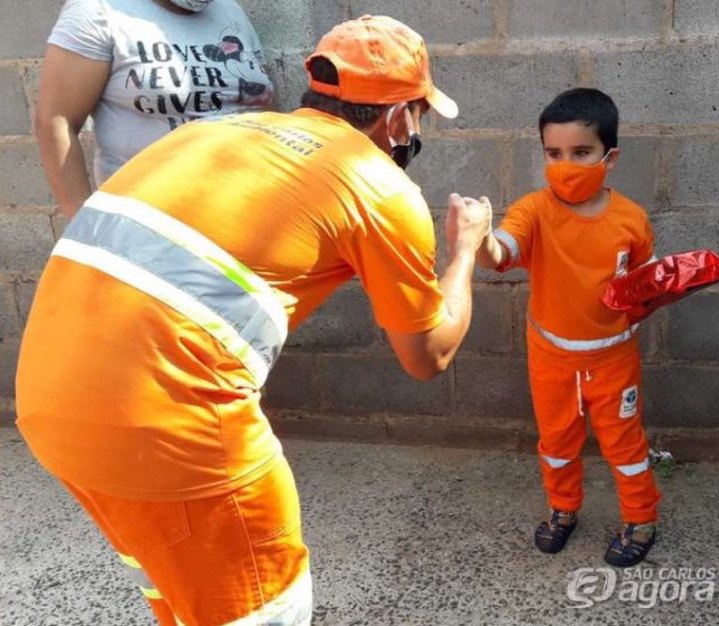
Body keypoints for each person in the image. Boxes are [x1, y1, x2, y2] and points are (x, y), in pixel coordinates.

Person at [16, 15, 492, 626]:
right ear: (399, 117)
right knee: (266, 610)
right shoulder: (377, 186)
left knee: (186, 595)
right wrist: (467, 250)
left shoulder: (211, 132)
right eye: (420, 114)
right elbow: (428, 357)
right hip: (171, 434)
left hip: (49, 409)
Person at [477, 88, 661, 567]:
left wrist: (670, 284)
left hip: (613, 358)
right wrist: (479, 240)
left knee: (624, 442)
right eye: (553, 153)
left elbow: (648, 281)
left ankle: (641, 518)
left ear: (609, 157)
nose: (565, 164)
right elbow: (503, 249)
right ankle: (563, 510)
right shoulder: (534, 210)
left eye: (580, 153)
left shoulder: (632, 220)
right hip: (551, 358)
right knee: (556, 441)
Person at [35, 0, 274, 219]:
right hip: (152, 225)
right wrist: (84, 225)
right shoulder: (98, 11)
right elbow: (55, 120)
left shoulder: (228, 10)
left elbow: (262, 106)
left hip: (247, 215)